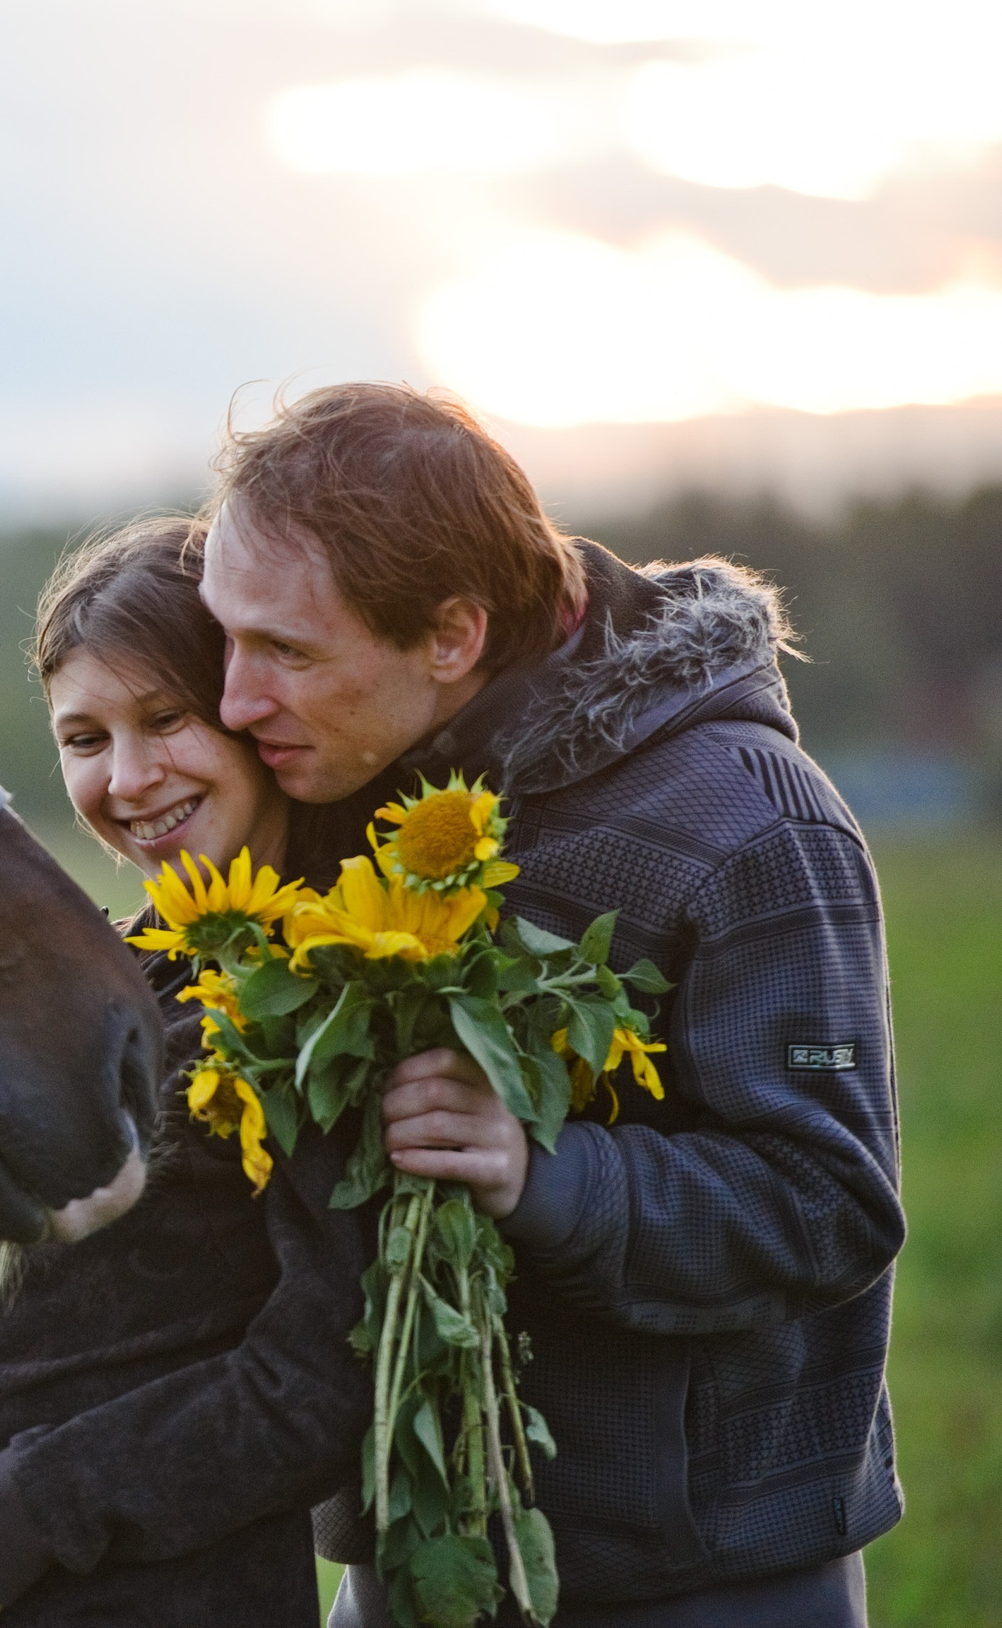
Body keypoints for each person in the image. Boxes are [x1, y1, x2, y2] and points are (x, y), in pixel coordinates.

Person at [194, 384, 903, 1627]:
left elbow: (830, 1204)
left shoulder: (751, 824)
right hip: (409, 1562)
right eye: (225, 640)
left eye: (287, 652)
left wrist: (539, 1174)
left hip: (699, 1584)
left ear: (453, 636)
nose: (237, 701)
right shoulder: (349, 779)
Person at [0, 515, 372, 1628]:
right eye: (85, 738)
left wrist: (28, 1513)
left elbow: (323, 1374)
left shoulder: (336, 1000)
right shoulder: (86, 982)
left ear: (255, 720)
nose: (130, 778)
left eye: (165, 720)